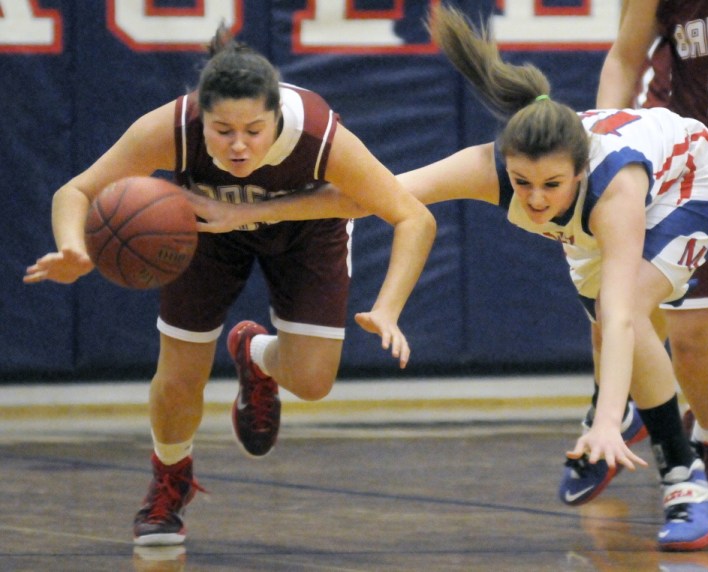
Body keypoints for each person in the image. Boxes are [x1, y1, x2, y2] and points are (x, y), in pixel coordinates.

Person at [184, 5, 708, 551]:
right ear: (505, 164)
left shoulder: (616, 191)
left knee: (627, 317)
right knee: (617, 334)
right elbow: (368, 195)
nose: (536, 200)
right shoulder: (489, 167)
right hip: (601, 211)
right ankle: (619, 411)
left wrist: (609, 420)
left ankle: (683, 479)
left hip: (689, 183)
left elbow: (620, 321)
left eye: (551, 186)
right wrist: (249, 214)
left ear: (581, 171)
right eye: (522, 183)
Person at [23, 24, 436, 546]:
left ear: (275, 117)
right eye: (222, 131)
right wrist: (74, 247)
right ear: (201, 114)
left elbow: (410, 216)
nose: (238, 144)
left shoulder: (316, 133)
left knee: (312, 382)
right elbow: (76, 190)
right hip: (201, 231)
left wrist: (390, 308)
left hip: (304, 231)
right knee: (178, 376)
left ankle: (254, 352)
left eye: (253, 130)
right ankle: (170, 481)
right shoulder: (171, 126)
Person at [560, 0, 708, 507]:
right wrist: (601, 138)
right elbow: (625, 57)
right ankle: (646, 418)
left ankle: (706, 439)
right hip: (698, 163)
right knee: (684, 336)